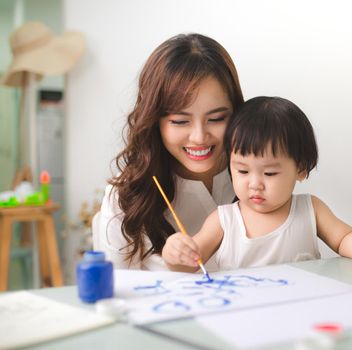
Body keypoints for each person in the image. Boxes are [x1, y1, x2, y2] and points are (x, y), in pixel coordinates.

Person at [162, 96, 352, 272]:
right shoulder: (224, 220)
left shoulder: (310, 209)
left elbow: (344, 238)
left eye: (270, 173)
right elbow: (190, 263)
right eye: (242, 170)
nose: (255, 184)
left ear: (300, 169)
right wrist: (176, 253)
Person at [96, 33, 244, 270]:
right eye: (179, 121)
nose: (198, 137)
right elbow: (117, 295)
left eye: (216, 118)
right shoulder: (125, 198)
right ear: (155, 121)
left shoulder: (259, 175)